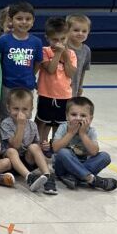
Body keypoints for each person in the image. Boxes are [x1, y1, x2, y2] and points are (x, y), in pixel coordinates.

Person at [52, 97, 117, 191]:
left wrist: (82, 134)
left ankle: (74, 177)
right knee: (63, 152)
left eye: (83, 115)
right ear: (67, 116)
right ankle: (90, 179)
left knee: (105, 156)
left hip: (84, 164)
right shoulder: (63, 127)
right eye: (73, 114)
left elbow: (94, 152)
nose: (78, 118)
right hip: (62, 168)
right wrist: (70, 133)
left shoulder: (91, 131)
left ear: (90, 119)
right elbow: (56, 149)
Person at [0, 1, 43, 122]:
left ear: (33, 21)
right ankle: (3, 140)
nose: (24, 22)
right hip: (7, 86)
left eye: (28, 19)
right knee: (5, 116)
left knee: (24, 116)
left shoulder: (36, 42)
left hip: (27, 86)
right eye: (19, 18)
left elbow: (37, 62)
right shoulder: (3, 41)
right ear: (11, 20)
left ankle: (22, 139)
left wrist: (30, 76)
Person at [0, 88, 54, 194]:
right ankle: (29, 177)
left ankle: (48, 177)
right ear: (8, 108)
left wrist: (43, 147)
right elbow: (15, 146)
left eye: (24, 109)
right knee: (12, 151)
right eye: (16, 108)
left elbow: (35, 145)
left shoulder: (32, 125)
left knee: (34, 147)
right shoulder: (6, 123)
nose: (20, 112)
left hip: (27, 161)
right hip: (11, 163)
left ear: (31, 110)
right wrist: (21, 125)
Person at [36, 17, 77, 150]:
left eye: (62, 39)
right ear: (47, 38)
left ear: (67, 37)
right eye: (55, 40)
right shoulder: (44, 51)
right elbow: (51, 69)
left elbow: (71, 73)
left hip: (64, 95)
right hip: (46, 93)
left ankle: (55, 146)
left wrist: (65, 57)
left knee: (60, 124)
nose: (59, 43)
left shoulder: (71, 54)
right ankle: (42, 146)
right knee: (43, 122)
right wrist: (58, 54)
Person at [66, 13, 92, 97]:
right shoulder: (62, 47)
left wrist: (80, 86)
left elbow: (83, 70)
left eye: (84, 31)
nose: (80, 33)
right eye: (76, 30)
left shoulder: (86, 50)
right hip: (59, 88)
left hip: (74, 89)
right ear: (67, 30)